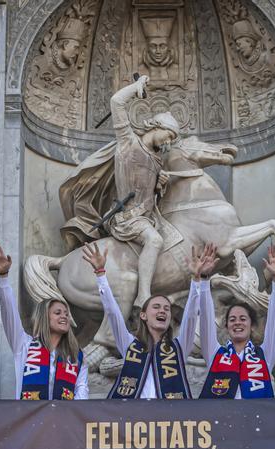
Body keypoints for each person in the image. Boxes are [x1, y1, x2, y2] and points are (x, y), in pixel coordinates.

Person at [82, 241, 209, 399]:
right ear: (143, 315)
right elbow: (113, 314)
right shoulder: (129, 345)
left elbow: (190, 318)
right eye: (156, 307)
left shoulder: (180, 347)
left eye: (166, 308)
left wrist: (196, 279)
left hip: (168, 419)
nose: (162, 310)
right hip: (134, 419)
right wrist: (100, 274)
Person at [107, 75, 180, 310]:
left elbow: (149, 195)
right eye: (169, 135)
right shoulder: (127, 141)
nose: (169, 142)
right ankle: (143, 296)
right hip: (127, 218)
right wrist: (135, 88)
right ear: (157, 127)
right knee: (155, 239)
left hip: (147, 218)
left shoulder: (157, 160)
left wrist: (160, 185)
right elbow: (116, 102)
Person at [0, 241, 89, 400]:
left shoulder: (76, 356)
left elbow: (82, 394)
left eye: (66, 313)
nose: (64, 316)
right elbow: (9, 313)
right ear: (44, 318)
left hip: (64, 422)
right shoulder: (24, 345)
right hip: (30, 421)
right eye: (57, 312)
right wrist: (3, 277)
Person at [198, 245, 275, 399]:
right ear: (227, 327)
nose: (237, 322)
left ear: (252, 326)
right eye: (232, 319)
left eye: (243, 319)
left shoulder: (264, 354)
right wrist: (204, 280)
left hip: (255, 420)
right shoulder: (215, 354)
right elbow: (205, 320)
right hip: (222, 420)